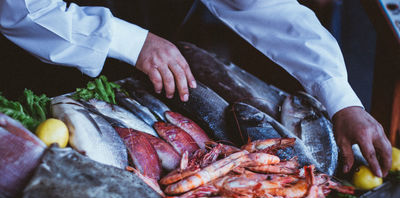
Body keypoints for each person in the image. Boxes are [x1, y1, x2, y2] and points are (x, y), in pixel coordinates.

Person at [0, 0, 392, 177]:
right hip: (36, 77)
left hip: (148, 86)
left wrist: (341, 99)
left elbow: (264, 7)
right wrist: (134, 42)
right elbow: (23, 9)